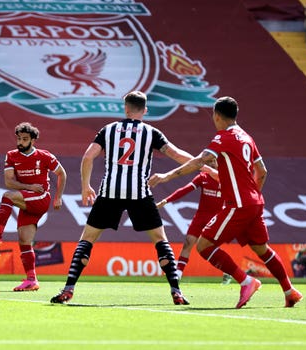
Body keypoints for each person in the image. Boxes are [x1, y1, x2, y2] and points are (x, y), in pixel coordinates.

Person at [149, 96, 303, 308]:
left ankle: (247, 281)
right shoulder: (247, 137)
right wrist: (253, 195)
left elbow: (199, 161)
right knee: (262, 249)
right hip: (255, 202)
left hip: (238, 204)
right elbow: (263, 172)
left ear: (217, 116)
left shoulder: (223, 138)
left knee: (203, 245)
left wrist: (166, 176)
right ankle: (289, 290)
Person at [50, 90, 198, 305]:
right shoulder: (151, 132)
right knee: (160, 240)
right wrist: (202, 164)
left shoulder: (108, 129)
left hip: (110, 191)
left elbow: (88, 157)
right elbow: (177, 155)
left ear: (125, 108)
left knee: (87, 239)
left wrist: (85, 186)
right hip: (139, 192)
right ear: (145, 110)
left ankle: (69, 288)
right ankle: (176, 291)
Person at [0, 122, 67, 291]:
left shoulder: (44, 156)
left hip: (41, 197)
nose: (20, 142)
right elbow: (8, 181)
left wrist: (58, 198)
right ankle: (31, 280)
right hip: (28, 200)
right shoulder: (12, 155)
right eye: (19, 138)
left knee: (7, 196)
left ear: (33, 140)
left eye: (25, 139)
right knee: (24, 241)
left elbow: (61, 174)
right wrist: (29, 187)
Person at [156, 171, 230, 284]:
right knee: (188, 242)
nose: (212, 163)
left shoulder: (227, 178)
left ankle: (228, 271)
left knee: (212, 247)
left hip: (217, 218)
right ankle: (178, 274)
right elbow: (185, 189)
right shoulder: (203, 177)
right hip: (200, 216)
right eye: (209, 161)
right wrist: (166, 200)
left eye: (214, 161)